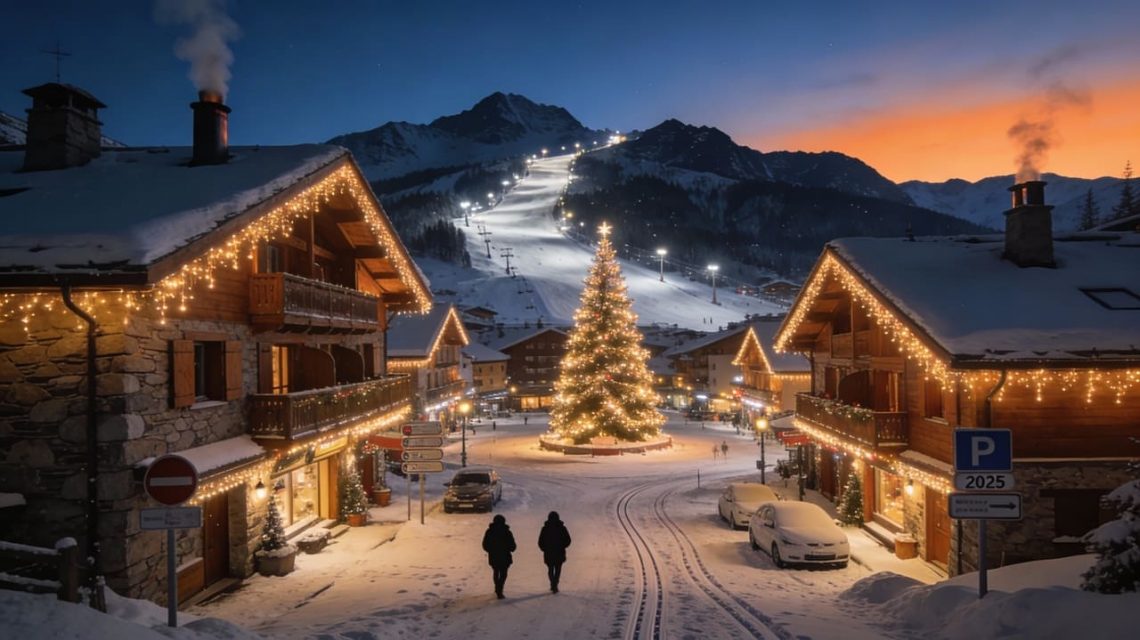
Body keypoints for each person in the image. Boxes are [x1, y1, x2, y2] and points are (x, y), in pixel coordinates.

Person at [482, 514, 516, 599]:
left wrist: (490, 550)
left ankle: (497, 587)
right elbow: (512, 545)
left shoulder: (489, 531)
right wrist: (511, 548)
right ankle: (500, 588)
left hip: (493, 556)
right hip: (505, 557)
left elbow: (485, 544)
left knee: (496, 571)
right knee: (503, 573)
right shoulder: (507, 532)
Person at [537, 511, 572, 593]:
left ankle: (553, 584)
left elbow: (540, 541)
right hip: (559, 552)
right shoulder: (562, 528)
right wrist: (563, 546)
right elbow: (568, 540)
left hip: (549, 553)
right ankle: (555, 584)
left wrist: (544, 549)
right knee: (558, 568)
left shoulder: (545, 529)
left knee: (550, 568)